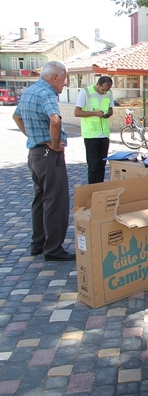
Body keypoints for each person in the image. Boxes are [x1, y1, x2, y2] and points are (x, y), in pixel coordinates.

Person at [12, 61, 75, 261]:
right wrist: (54, 143)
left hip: (35, 153)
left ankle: (38, 243)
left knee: (40, 199)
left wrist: (33, 137)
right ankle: (53, 248)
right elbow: (55, 119)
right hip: (49, 155)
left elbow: (16, 116)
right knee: (55, 201)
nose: (64, 84)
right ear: (54, 77)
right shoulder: (47, 93)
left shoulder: (31, 91)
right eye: (64, 79)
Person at [74, 76, 113, 184]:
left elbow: (111, 110)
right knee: (93, 166)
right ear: (98, 84)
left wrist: (108, 114)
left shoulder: (109, 93)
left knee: (102, 165)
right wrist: (95, 113)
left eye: (107, 90)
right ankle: (92, 189)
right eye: (103, 89)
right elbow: (77, 112)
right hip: (91, 134)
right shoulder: (85, 92)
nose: (105, 92)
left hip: (104, 133)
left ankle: (99, 189)